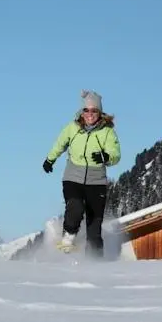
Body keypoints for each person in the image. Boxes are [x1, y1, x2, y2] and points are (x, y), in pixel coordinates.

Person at [43, 89, 121, 258]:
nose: (90, 114)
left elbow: (115, 154)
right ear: (82, 111)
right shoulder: (73, 128)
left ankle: (95, 261)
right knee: (75, 207)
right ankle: (68, 236)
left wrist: (105, 156)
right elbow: (60, 143)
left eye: (94, 111)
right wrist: (50, 159)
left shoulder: (107, 132)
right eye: (87, 110)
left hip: (97, 181)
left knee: (94, 226)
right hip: (73, 178)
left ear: (100, 113)